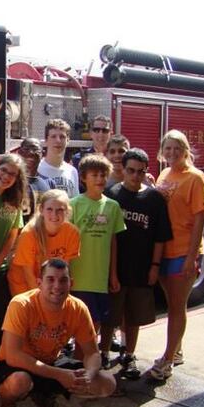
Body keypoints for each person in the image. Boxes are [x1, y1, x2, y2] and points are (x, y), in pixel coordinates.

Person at [0, 259, 116, 407]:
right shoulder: (21, 304)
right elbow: (13, 356)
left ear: (71, 283)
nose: (57, 286)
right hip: (16, 366)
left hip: (51, 361)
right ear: (39, 283)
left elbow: (93, 354)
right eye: (50, 279)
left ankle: (44, 396)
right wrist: (60, 375)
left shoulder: (78, 308)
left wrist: (88, 376)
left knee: (107, 383)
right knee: (19, 381)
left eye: (63, 280)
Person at [101, 148, 172, 380]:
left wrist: (155, 266)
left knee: (133, 316)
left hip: (141, 267)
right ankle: (103, 353)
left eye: (140, 172)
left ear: (146, 172)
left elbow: (161, 237)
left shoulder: (153, 199)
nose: (135, 176)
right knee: (111, 314)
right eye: (130, 170)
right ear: (123, 169)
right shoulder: (111, 195)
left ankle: (129, 354)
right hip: (115, 267)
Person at [149, 130, 204, 380]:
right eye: (168, 148)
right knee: (172, 303)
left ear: (185, 150)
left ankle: (167, 360)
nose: (172, 153)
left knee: (176, 307)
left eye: (177, 148)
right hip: (164, 250)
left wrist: (190, 257)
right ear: (162, 152)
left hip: (182, 252)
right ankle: (177, 350)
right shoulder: (165, 173)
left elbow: (200, 219)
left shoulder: (195, 178)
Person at [69, 154, 126, 365]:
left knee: (97, 324)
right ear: (84, 177)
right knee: (83, 328)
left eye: (103, 174)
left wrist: (113, 274)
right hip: (79, 276)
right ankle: (79, 368)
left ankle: (88, 368)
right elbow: (67, 241)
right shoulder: (73, 204)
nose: (100, 179)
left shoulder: (112, 206)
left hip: (100, 278)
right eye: (95, 175)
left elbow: (113, 241)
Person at [0, 154, 26, 382]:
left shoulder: (14, 204)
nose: (6, 177)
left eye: (12, 174)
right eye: (3, 170)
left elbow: (11, 240)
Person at [8, 190, 80, 296]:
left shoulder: (72, 233)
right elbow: (28, 275)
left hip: (50, 286)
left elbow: (63, 269)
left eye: (60, 210)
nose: (54, 214)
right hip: (25, 286)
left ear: (67, 211)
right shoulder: (29, 234)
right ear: (41, 209)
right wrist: (43, 299)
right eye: (49, 209)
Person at [15, 138, 55, 223]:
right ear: (19, 152)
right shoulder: (11, 181)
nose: (30, 152)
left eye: (35, 149)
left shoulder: (49, 183)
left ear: (43, 154)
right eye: (26, 149)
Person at [37, 119, 79, 197]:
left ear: (68, 140)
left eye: (62, 137)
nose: (58, 140)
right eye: (53, 136)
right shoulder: (38, 169)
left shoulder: (72, 171)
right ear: (46, 140)